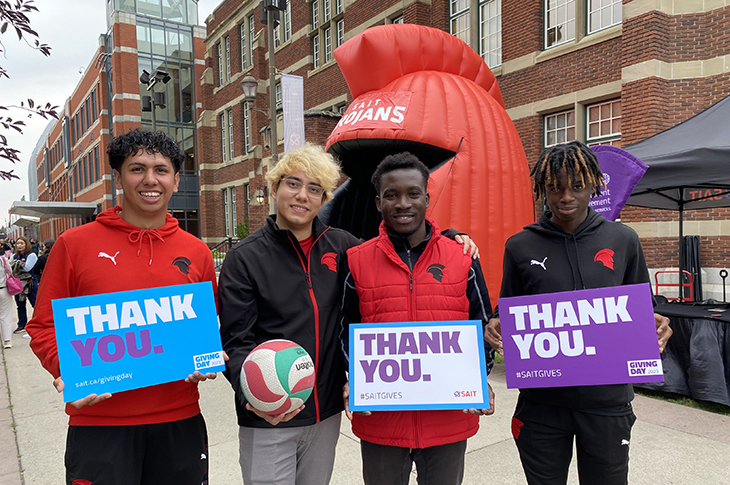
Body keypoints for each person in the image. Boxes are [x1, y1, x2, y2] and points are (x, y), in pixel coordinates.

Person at [218, 144, 478, 485]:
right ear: (274, 188)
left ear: (324, 199)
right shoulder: (244, 258)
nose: (302, 196)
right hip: (269, 414)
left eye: (314, 189)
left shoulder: (342, 247)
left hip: (325, 413)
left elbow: (396, 245)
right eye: (292, 184)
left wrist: (446, 237)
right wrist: (252, 395)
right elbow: (236, 341)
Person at [26, 129, 220, 485]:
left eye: (161, 170)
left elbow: (207, 325)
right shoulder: (74, 245)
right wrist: (67, 367)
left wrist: (204, 359)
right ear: (118, 178)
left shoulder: (197, 252)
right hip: (99, 424)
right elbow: (42, 327)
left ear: (176, 181)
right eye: (137, 168)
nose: (150, 179)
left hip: (179, 421)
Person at [484, 141, 672, 485]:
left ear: (595, 185)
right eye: (554, 188)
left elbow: (641, 307)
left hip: (607, 402)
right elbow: (508, 308)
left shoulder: (623, 239)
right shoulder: (520, 245)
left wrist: (656, 325)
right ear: (543, 189)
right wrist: (495, 325)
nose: (565, 197)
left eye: (577, 186)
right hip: (542, 404)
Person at [339, 152, 495, 485]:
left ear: (427, 196)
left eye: (412, 193)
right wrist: (353, 378)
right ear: (379, 202)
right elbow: (344, 329)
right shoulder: (357, 260)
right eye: (391, 196)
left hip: (448, 419)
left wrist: (480, 379)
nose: (402, 203)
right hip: (381, 421)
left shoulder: (462, 256)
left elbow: (483, 325)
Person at [10, 236, 37, 333]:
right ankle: (22, 324)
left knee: (35, 303)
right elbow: (10, 268)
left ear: (26, 244)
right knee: (20, 304)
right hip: (18, 283)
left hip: (30, 282)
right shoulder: (14, 256)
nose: (19, 245)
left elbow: (27, 268)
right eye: (18, 243)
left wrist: (15, 264)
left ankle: (39, 323)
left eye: (22, 243)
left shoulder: (31, 255)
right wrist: (16, 263)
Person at [0, 253, 14, 348]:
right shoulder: (3, 259)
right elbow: (10, 272)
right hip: (3, 288)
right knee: (6, 315)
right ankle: (7, 341)